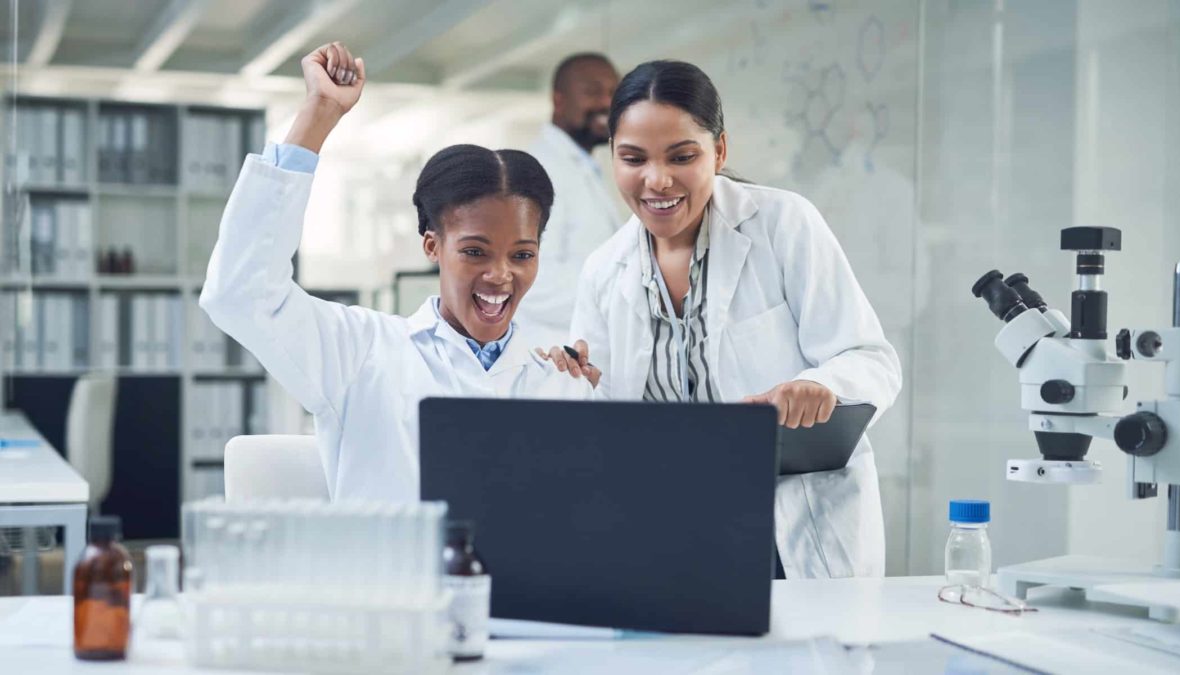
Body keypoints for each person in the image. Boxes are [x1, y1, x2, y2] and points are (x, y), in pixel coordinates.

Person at [547, 60, 902, 578]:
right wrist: (572, 386)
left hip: (788, 534)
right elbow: (605, 423)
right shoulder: (604, 270)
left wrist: (820, 385)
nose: (656, 180)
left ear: (719, 151)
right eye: (633, 158)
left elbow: (872, 359)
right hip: (663, 533)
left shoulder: (782, 224)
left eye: (682, 156)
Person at [200, 42, 593, 502]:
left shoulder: (557, 379)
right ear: (433, 245)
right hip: (388, 574)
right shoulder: (361, 351)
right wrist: (319, 114)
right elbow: (240, 294)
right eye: (475, 252)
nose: (500, 275)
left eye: (522, 255)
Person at [516, 53, 623, 347]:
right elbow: (533, 280)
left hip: (583, 353)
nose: (605, 103)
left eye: (613, 93)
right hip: (554, 356)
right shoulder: (542, 169)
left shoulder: (585, 167)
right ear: (559, 100)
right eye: (592, 92)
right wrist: (625, 296)